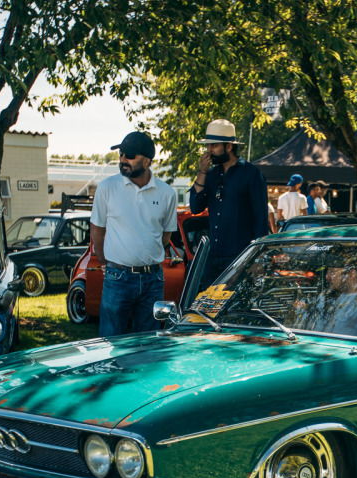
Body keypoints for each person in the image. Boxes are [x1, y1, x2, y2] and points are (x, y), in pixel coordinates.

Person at [90, 130, 178, 337]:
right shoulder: (106, 188)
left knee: (148, 343)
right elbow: (97, 230)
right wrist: (104, 263)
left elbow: (166, 235)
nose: (122, 160)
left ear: (147, 161)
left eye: (129, 156)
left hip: (153, 279)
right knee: (111, 341)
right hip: (117, 275)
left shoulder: (167, 193)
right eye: (121, 154)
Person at [189, 119, 270, 290]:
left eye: (214, 146)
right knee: (208, 307)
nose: (209, 151)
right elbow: (195, 207)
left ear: (228, 147)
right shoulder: (211, 174)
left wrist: (258, 258)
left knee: (234, 308)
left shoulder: (251, 174)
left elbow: (261, 219)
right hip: (214, 256)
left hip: (240, 257)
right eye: (208, 146)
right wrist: (202, 172)